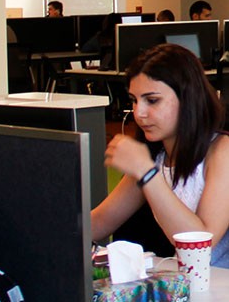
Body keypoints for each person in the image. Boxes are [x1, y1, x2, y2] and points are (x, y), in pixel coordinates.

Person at [91, 43, 229, 267]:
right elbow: (98, 223)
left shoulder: (222, 150)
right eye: (134, 100)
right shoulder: (156, 157)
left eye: (152, 100)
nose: (139, 113)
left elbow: (200, 245)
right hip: (184, 281)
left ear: (187, 98)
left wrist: (147, 173)